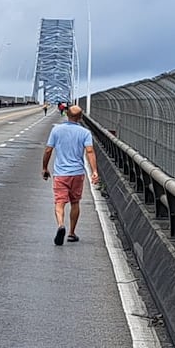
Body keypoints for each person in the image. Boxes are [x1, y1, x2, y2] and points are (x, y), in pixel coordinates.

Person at [41, 105, 99, 245]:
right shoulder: (85, 132)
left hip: (61, 173)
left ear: (67, 114)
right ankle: (72, 233)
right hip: (77, 173)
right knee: (75, 202)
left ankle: (61, 225)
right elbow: (90, 152)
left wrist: (44, 167)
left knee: (59, 202)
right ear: (80, 117)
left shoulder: (56, 130)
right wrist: (94, 171)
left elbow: (48, 150)